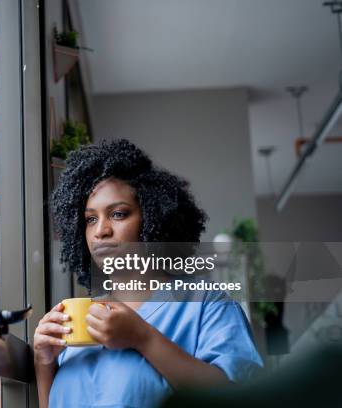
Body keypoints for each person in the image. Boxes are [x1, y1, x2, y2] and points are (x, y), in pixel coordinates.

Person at [34, 139, 263, 408]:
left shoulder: (206, 305)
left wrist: (143, 337)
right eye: (90, 219)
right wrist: (44, 363)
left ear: (154, 220)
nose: (100, 231)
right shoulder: (76, 322)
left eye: (118, 214)